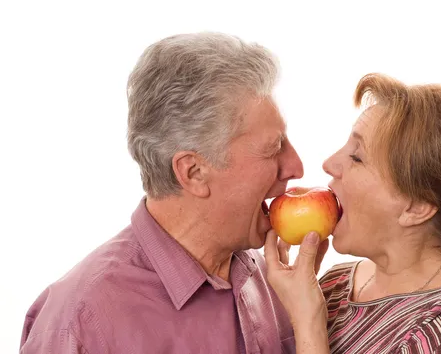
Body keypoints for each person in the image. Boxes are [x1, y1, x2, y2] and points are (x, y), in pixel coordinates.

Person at [20, 32, 309, 353]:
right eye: (274, 149)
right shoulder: (81, 323)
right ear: (193, 172)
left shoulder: (280, 282)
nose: (296, 167)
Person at [265, 73, 441, 353]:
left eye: (357, 157)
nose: (329, 163)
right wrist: (279, 308)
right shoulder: (333, 284)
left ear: (416, 207)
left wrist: (308, 323)